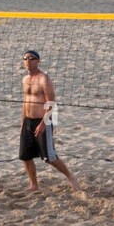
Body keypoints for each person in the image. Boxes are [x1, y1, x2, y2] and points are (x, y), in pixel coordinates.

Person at [18, 50, 81, 193]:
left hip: (42, 121)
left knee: (50, 158)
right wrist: (22, 122)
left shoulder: (44, 79)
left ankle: (70, 176)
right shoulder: (25, 79)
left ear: (38, 61)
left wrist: (43, 123)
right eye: (25, 58)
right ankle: (34, 185)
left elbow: (51, 103)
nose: (28, 61)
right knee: (25, 156)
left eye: (32, 58)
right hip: (28, 121)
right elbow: (25, 102)